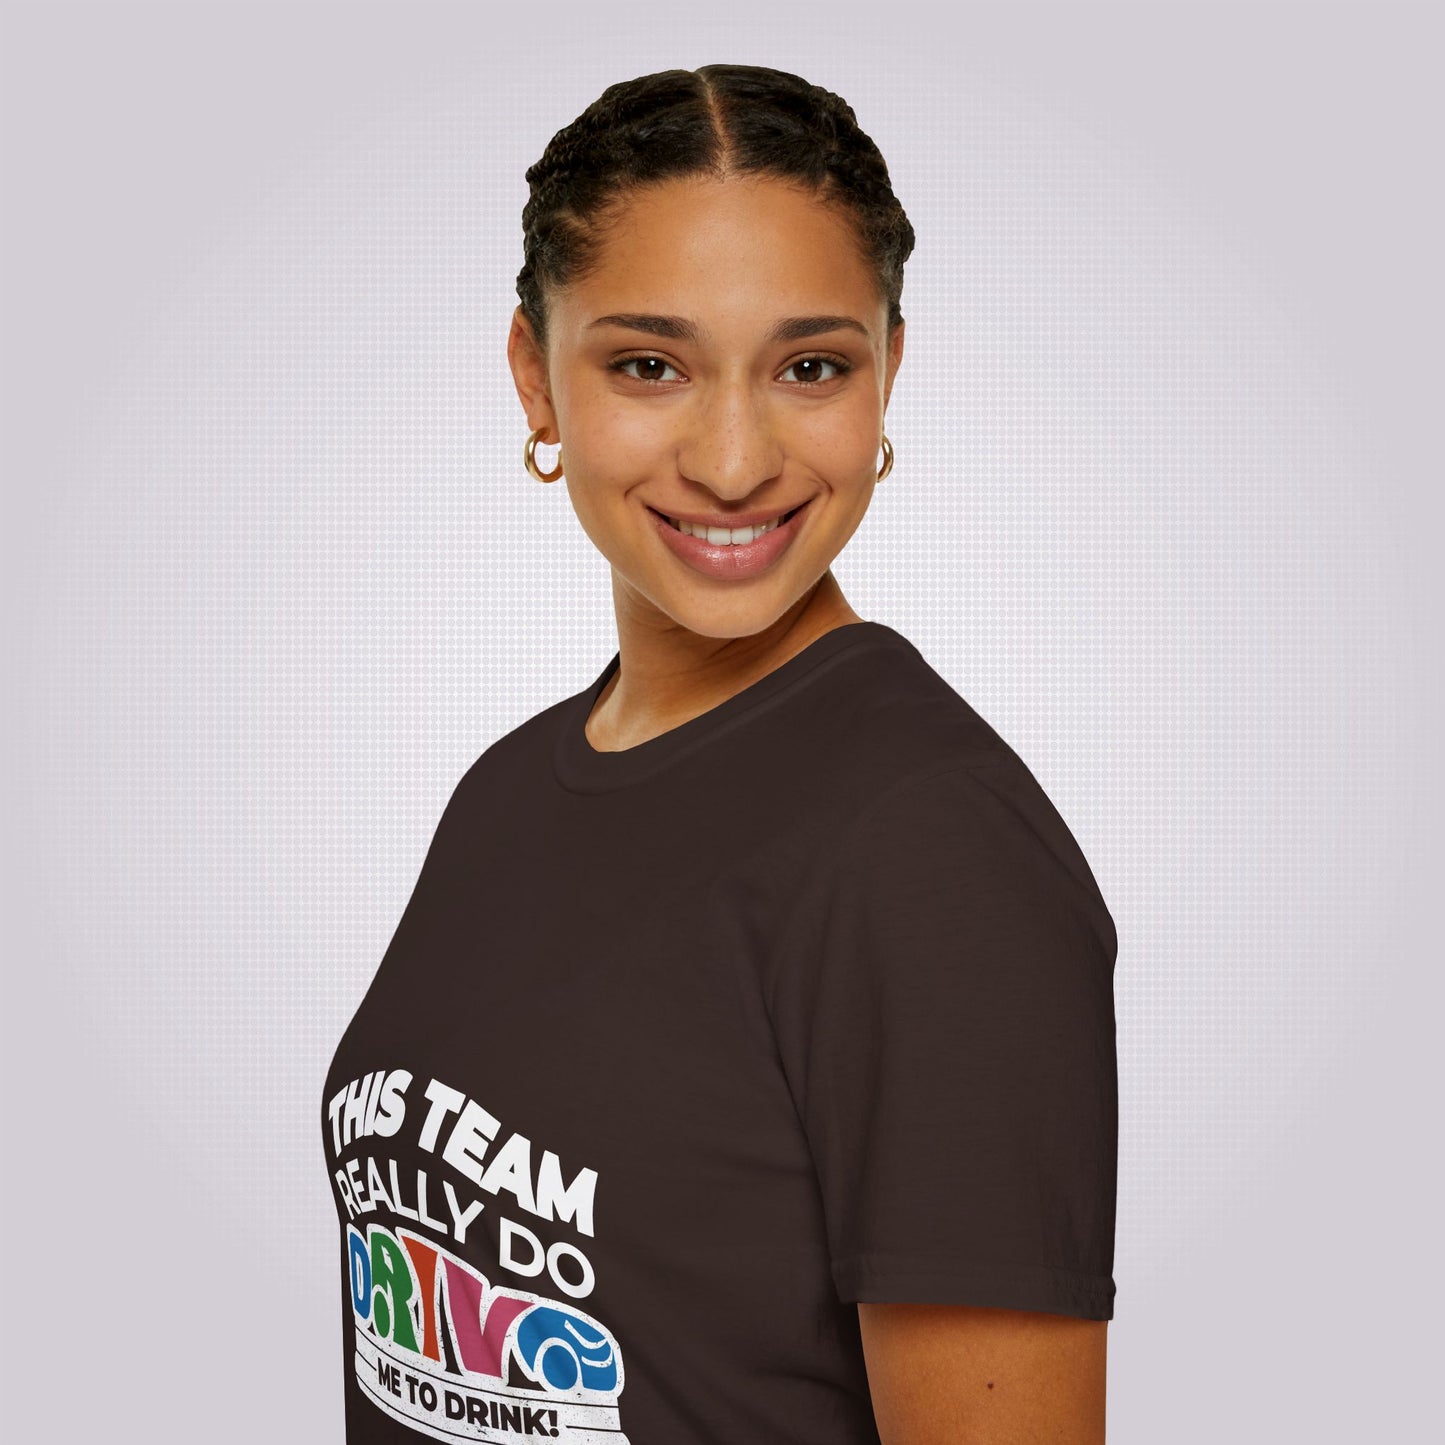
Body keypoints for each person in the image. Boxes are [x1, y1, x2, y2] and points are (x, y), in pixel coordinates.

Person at [322, 63, 1119, 1445]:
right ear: (535, 374)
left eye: (811, 366)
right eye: (648, 364)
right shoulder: (508, 789)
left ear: (888, 372)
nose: (736, 457)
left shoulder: (929, 851)